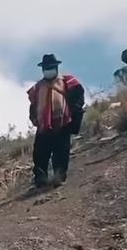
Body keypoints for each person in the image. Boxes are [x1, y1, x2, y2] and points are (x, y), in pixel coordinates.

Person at [28, 54, 85, 187]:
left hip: (63, 124)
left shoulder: (68, 81)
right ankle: (40, 179)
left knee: (62, 152)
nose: (48, 70)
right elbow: (33, 104)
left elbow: (79, 96)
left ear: (56, 67)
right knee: (40, 154)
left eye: (51, 67)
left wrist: (76, 108)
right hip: (44, 126)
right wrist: (34, 118)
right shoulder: (37, 88)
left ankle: (59, 177)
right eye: (46, 68)